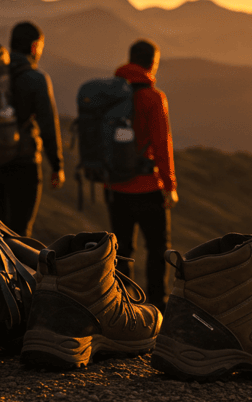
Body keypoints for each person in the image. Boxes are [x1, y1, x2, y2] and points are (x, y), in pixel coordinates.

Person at [106, 39, 178, 312]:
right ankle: (157, 306)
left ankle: (124, 307)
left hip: (114, 185)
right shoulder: (153, 97)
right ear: (152, 63)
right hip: (147, 187)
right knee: (158, 250)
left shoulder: (109, 94)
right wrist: (170, 185)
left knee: (122, 249)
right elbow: (162, 143)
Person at [0, 22, 64, 237]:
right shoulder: (36, 79)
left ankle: (0, 269)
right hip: (24, 163)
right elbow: (48, 125)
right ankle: (16, 270)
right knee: (20, 231)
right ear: (35, 46)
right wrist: (57, 165)